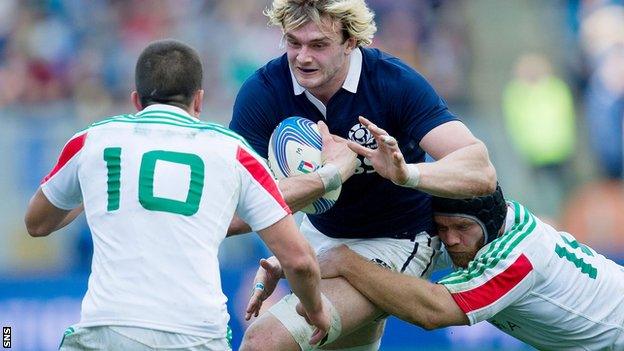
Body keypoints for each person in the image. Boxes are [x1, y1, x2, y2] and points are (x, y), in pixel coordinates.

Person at [24, 39, 330, 351]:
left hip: (107, 331)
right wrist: (315, 311)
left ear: (136, 101)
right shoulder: (234, 152)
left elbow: (36, 223)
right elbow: (299, 260)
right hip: (195, 336)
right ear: (199, 100)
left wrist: (91, 187)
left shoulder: (92, 140)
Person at [229, 1, 496, 350]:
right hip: (319, 235)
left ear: (351, 41)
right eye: (293, 43)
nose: (303, 57)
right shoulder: (264, 92)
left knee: (264, 341)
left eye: (319, 45)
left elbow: (480, 168)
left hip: (398, 238)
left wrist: (406, 174)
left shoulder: (392, 82)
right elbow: (231, 211)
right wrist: (293, 241)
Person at [299, 121, 623, 349]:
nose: (450, 239)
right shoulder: (484, 227)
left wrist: (343, 260)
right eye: (444, 228)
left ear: (490, 223)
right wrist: (293, 257)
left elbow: (433, 311)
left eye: (462, 228)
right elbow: (393, 246)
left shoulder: (520, 257)